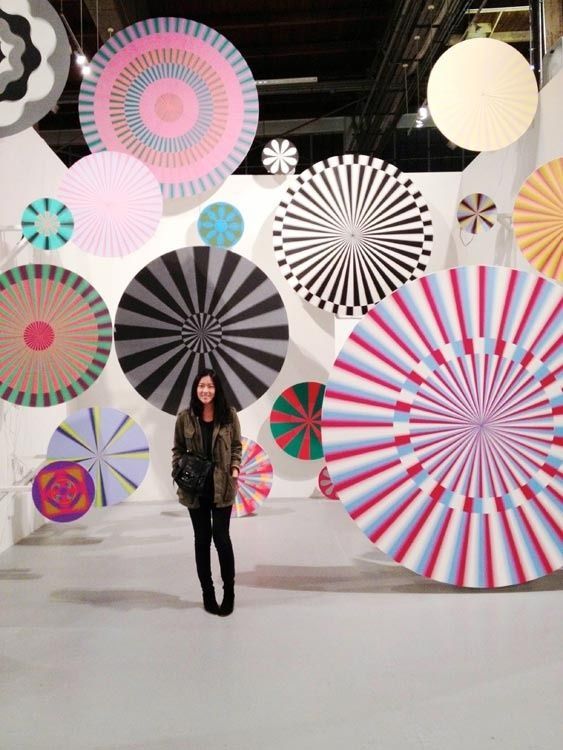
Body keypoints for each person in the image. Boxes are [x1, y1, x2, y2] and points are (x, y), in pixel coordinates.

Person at [172, 369, 242, 616]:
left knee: (222, 539)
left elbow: (236, 445)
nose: (205, 391)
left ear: (217, 389)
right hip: (195, 490)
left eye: (210, 386)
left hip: (222, 486)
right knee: (201, 541)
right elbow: (178, 450)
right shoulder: (185, 418)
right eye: (202, 386)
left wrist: (234, 469)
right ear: (195, 388)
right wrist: (178, 475)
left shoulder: (228, 416)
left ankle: (229, 592)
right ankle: (207, 593)